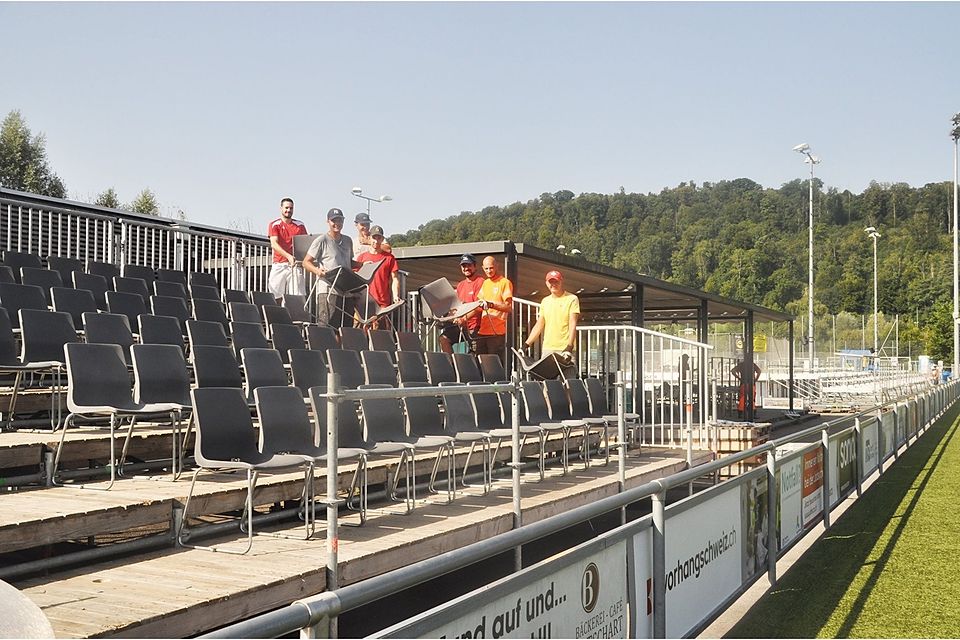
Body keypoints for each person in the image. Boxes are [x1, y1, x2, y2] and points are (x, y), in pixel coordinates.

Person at [303, 208, 359, 328]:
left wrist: (364, 265)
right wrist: (318, 271)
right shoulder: (322, 240)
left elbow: (348, 262)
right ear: (328, 222)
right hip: (328, 289)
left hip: (346, 291)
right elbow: (306, 262)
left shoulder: (348, 240)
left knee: (346, 328)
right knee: (327, 327)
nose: (337, 223)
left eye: (340, 220)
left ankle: (342, 347)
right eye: (334, 221)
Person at [524, 270, 580, 367]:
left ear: (561, 282)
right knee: (547, 381)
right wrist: (526, 345)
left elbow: (572, 323)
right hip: (548, 348)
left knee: (568, 381)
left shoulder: (572, 299)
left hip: (565, 348)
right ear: (546, 283)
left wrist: (569, 346)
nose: (553, 284)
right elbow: (539, 325)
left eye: (556, 282)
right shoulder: (545, 301)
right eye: (551, 282)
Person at [354, 225, 399, 329]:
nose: (376, 241)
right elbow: (355, 278)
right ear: (369, 238)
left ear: (382, 239)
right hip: (363, 303)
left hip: (382, 304)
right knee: (358, 335)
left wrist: (396, 296)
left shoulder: (389, 258)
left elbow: (395, 278)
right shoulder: (362, 257)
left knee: (380, 337)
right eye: (374, 237)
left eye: (379, 238)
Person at [438, 253, 484, 354]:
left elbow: (479, 307)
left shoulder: (480, 282)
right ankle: (453, 366)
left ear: (475, 266)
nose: (466, 268)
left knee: (474, 356)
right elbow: (457, 306)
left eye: (469, 265)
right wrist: (447, 317)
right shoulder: (460, 285)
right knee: (443, 339)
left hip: (475, 327)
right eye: (464, 266)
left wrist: (463, 319)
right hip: (461, 326)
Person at [266, 197, 308, 301]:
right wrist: (288, 256)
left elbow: (306, 243)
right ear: (281, 208)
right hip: (279, 264)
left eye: (291, 208)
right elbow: (274, 244)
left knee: (298, 296)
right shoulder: (274, 224)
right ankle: (276, 315)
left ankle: (297, 316)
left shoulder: (300, 225)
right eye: (286, 208)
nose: (288, 210)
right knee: (275, 294)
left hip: (295, 265)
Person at [476, 256, 513, 356]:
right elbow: (478, 306)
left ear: (497, 266)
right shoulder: (485, 283)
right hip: (482, 331)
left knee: (495, 365)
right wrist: (463, 317)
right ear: (483, 268)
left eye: (491, 268)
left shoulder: (505, 282)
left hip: (497, 332)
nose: (489, 271)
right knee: (480, 363)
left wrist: (491, 305)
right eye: (486, 268)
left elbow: (509, 307)